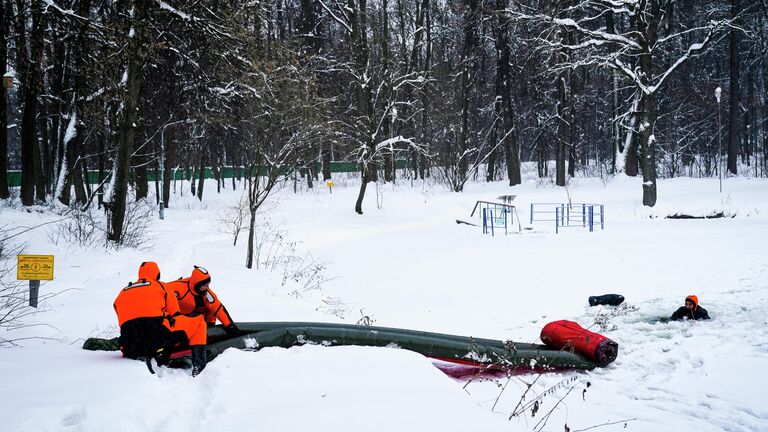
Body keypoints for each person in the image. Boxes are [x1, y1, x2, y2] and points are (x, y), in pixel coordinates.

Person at [113, 261, 209, 376]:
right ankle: (199, 365)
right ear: (157, 275)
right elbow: (175, 314)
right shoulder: (162, 286)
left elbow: (122, 319)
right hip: (156, 335)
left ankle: (145, 353)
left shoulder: (122, 292)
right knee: (199, 321)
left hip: (130, 342)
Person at [165, 265, 241, 337]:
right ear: (197, 284)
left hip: (193, 317)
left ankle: (209, 331)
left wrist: (230, 326)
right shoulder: (177, 288)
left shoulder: (207, 294)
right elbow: (159, 295)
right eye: (204, 285)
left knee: (210, 309)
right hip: (176, 318)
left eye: (208, 285)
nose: (207, 288)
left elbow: (218, 308)